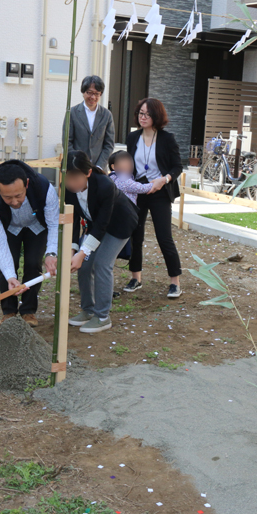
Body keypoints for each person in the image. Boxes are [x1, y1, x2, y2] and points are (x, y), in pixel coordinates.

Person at [64, 151, 139, 333]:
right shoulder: (67, 188)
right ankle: (88, 310)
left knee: (102, 263)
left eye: (75, 178)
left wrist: (83, 252)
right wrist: (73, 248)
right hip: (96, 224)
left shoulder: (104, 185)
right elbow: (73, 219)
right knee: (84, 265)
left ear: (88, 173)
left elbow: (102, 225)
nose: (71, 184)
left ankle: (102, 316)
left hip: (120, 224)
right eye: (67, 178)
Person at [0, 160, 59, 327]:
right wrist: (10, 275)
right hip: (8, 227)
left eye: (19, 196)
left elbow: (54, 224)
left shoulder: (45, 189)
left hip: (36, 225)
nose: (15, 202)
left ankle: (28, 311)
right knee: (8, 266)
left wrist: (51, 253)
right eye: (8, 197)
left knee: (33, 263)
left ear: (27, 184)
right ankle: (8, 311)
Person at [124, 98, 184, 298]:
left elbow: (177, 167)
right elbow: (129, 165)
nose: (143, 117)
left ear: (156, 116)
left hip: (160, 192)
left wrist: (164, 180)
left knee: (164, 236)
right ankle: (135, 278)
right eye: (141, 113)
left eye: (147, 114)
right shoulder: (133, 138)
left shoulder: (167, 138)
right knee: (135, 235)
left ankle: (175, 282)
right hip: (138, 191)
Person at [64, 75, 116, 169]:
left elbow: (109, 144)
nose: (93, 97)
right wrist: (77, 162)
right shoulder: (72, 112)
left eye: (97, 94)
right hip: (77, 167)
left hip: (99, 168)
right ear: (83, 92)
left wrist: (99, 166)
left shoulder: (107, 115)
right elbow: (67, 141)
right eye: (90, 92)